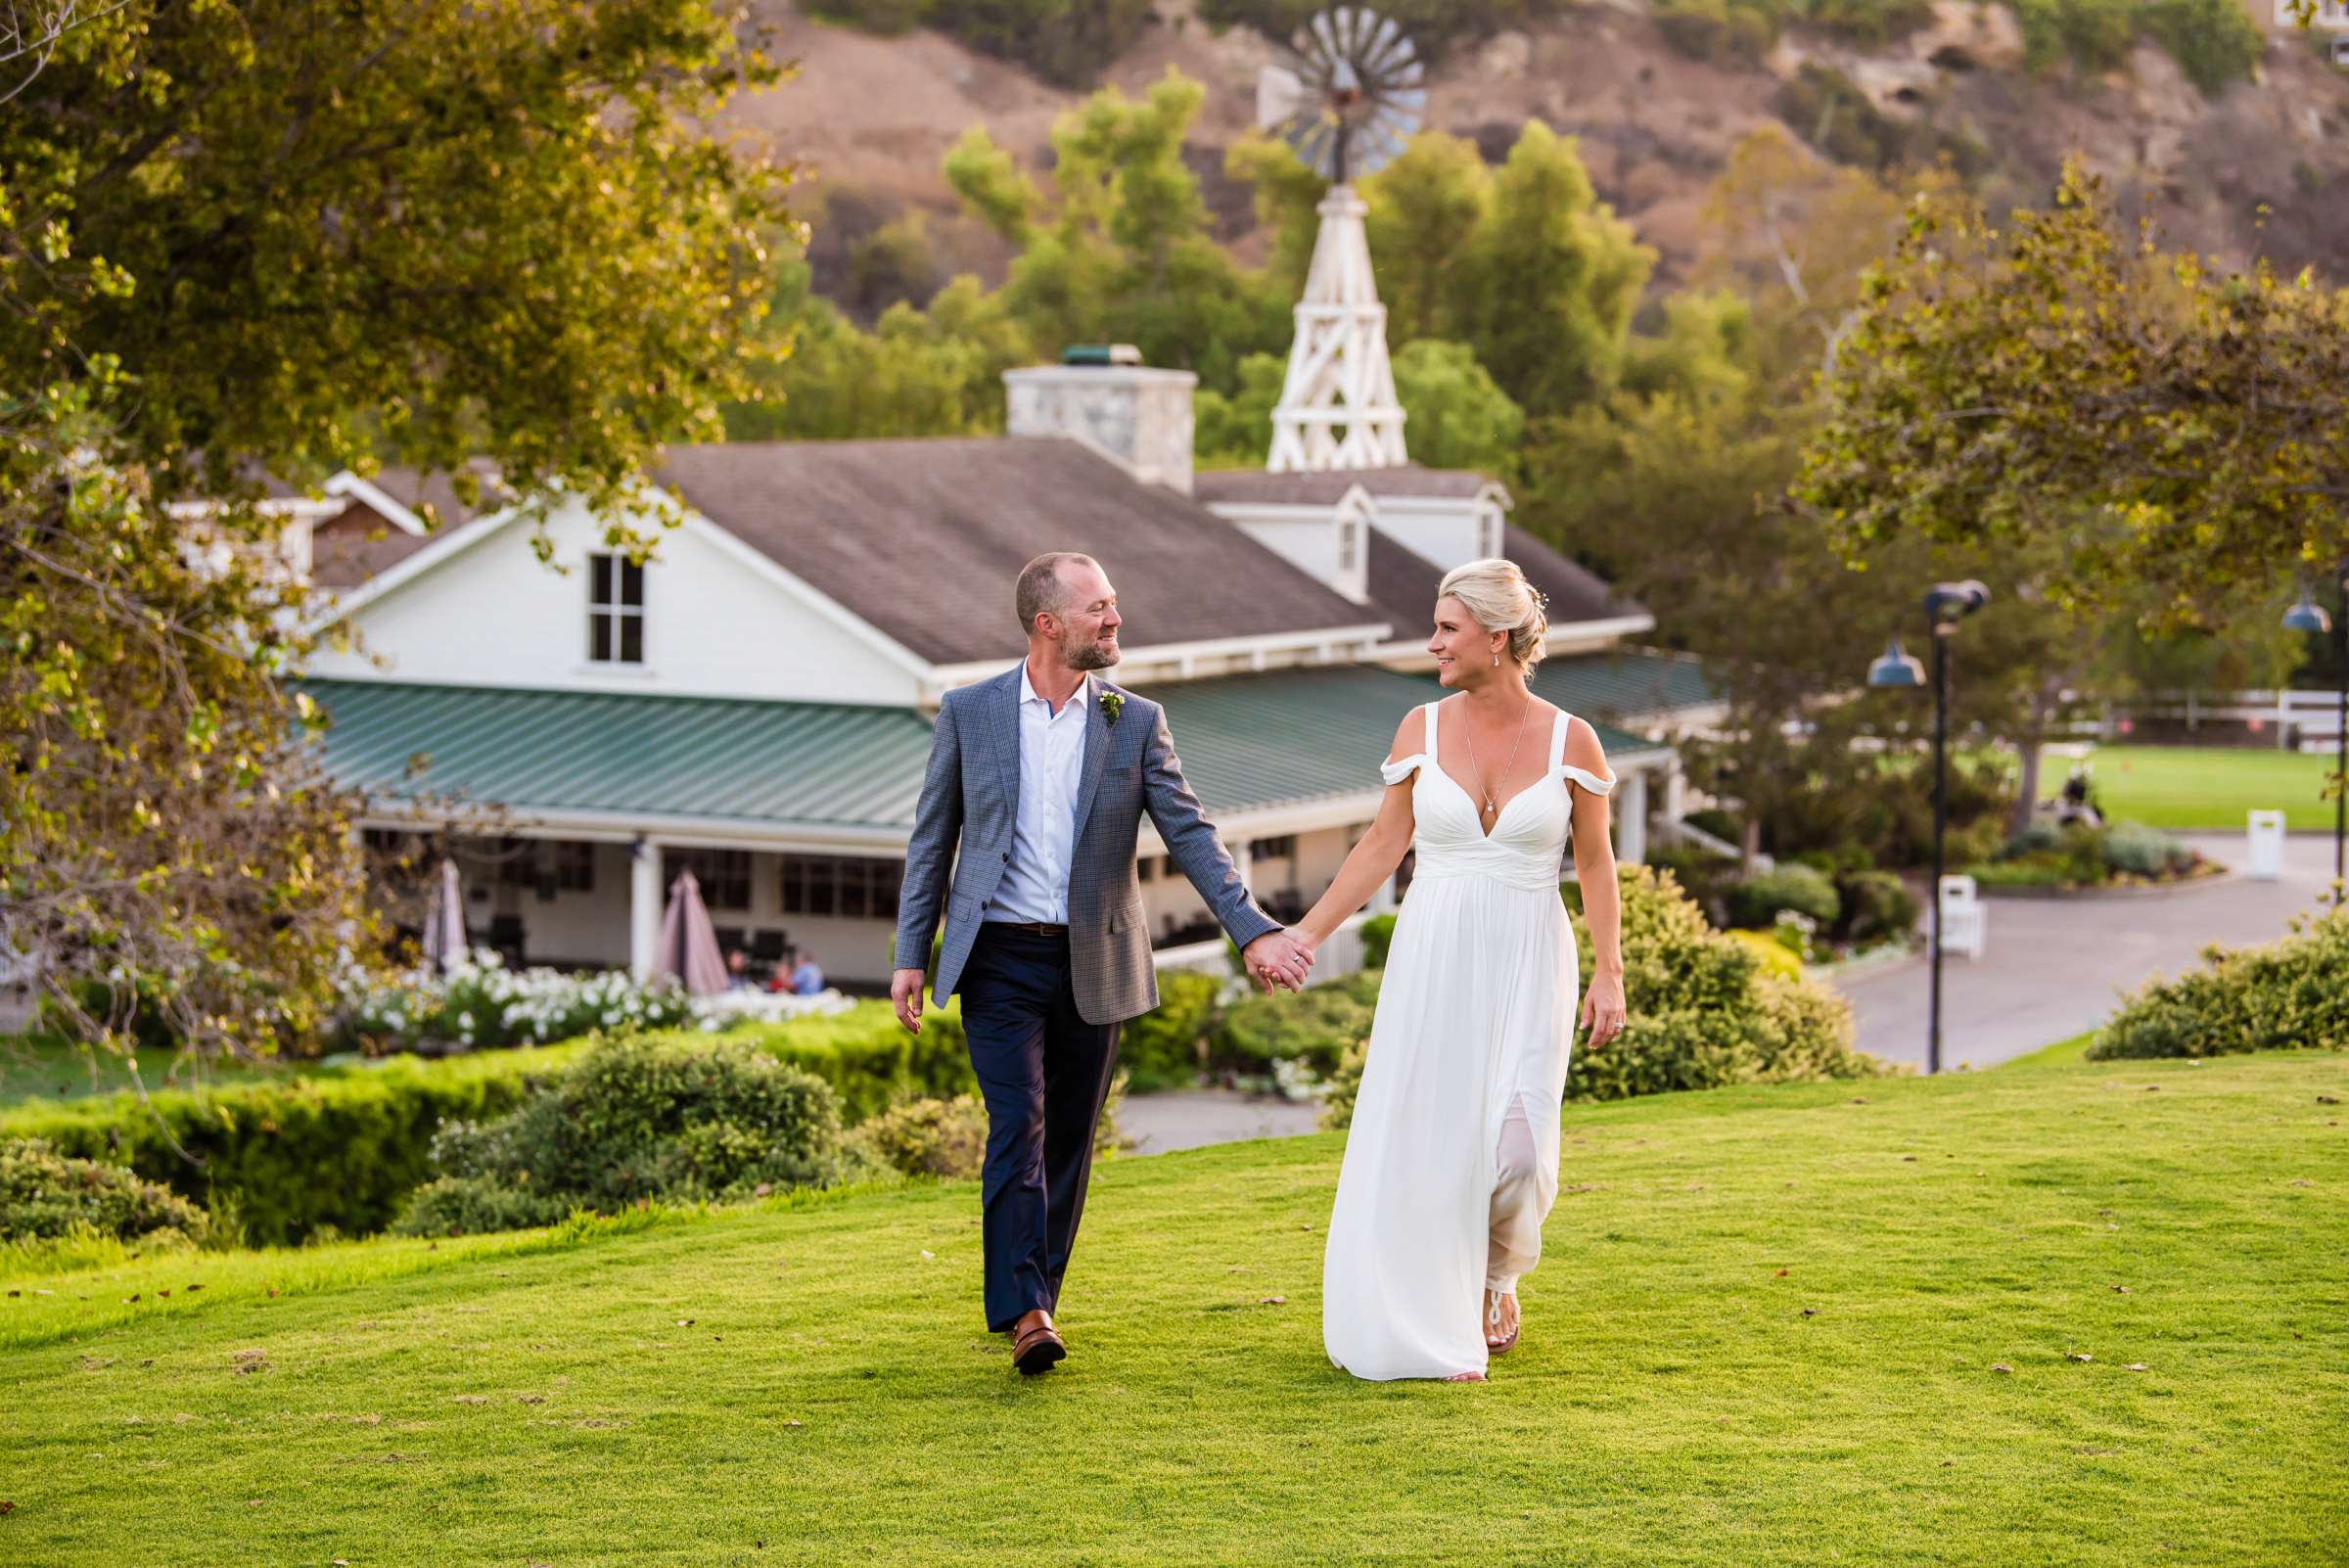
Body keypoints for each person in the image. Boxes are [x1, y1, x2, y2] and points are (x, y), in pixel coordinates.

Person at [892, 551, 1314, 1377]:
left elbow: (1192, 836)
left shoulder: (1135, 720)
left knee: (1070, 1144)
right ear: (1048, 623)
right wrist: (912, 952)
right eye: (1099, 608)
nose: (1115, 620)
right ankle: (1029, 1313)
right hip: (997, 959)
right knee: (1019, 1124)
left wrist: (1252, 929)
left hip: (1097, 960)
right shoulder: (969, 713)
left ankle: (1034, 1295)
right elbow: (931, 839)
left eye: (1114, 605)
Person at [1293, 558, 1629, 1383]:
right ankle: (1429, 1311)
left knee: (1518, 1150)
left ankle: (1494, 1274)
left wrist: (1610, 971)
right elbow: (1382, 845)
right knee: (1433, 1141)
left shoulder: (1569, 739)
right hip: (1433, 953)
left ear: (1499, 636)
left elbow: (1596, 864)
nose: (1433, 642)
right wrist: (1305, 933)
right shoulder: (1419, 727)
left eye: (1449, 628)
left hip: (1528, 951)